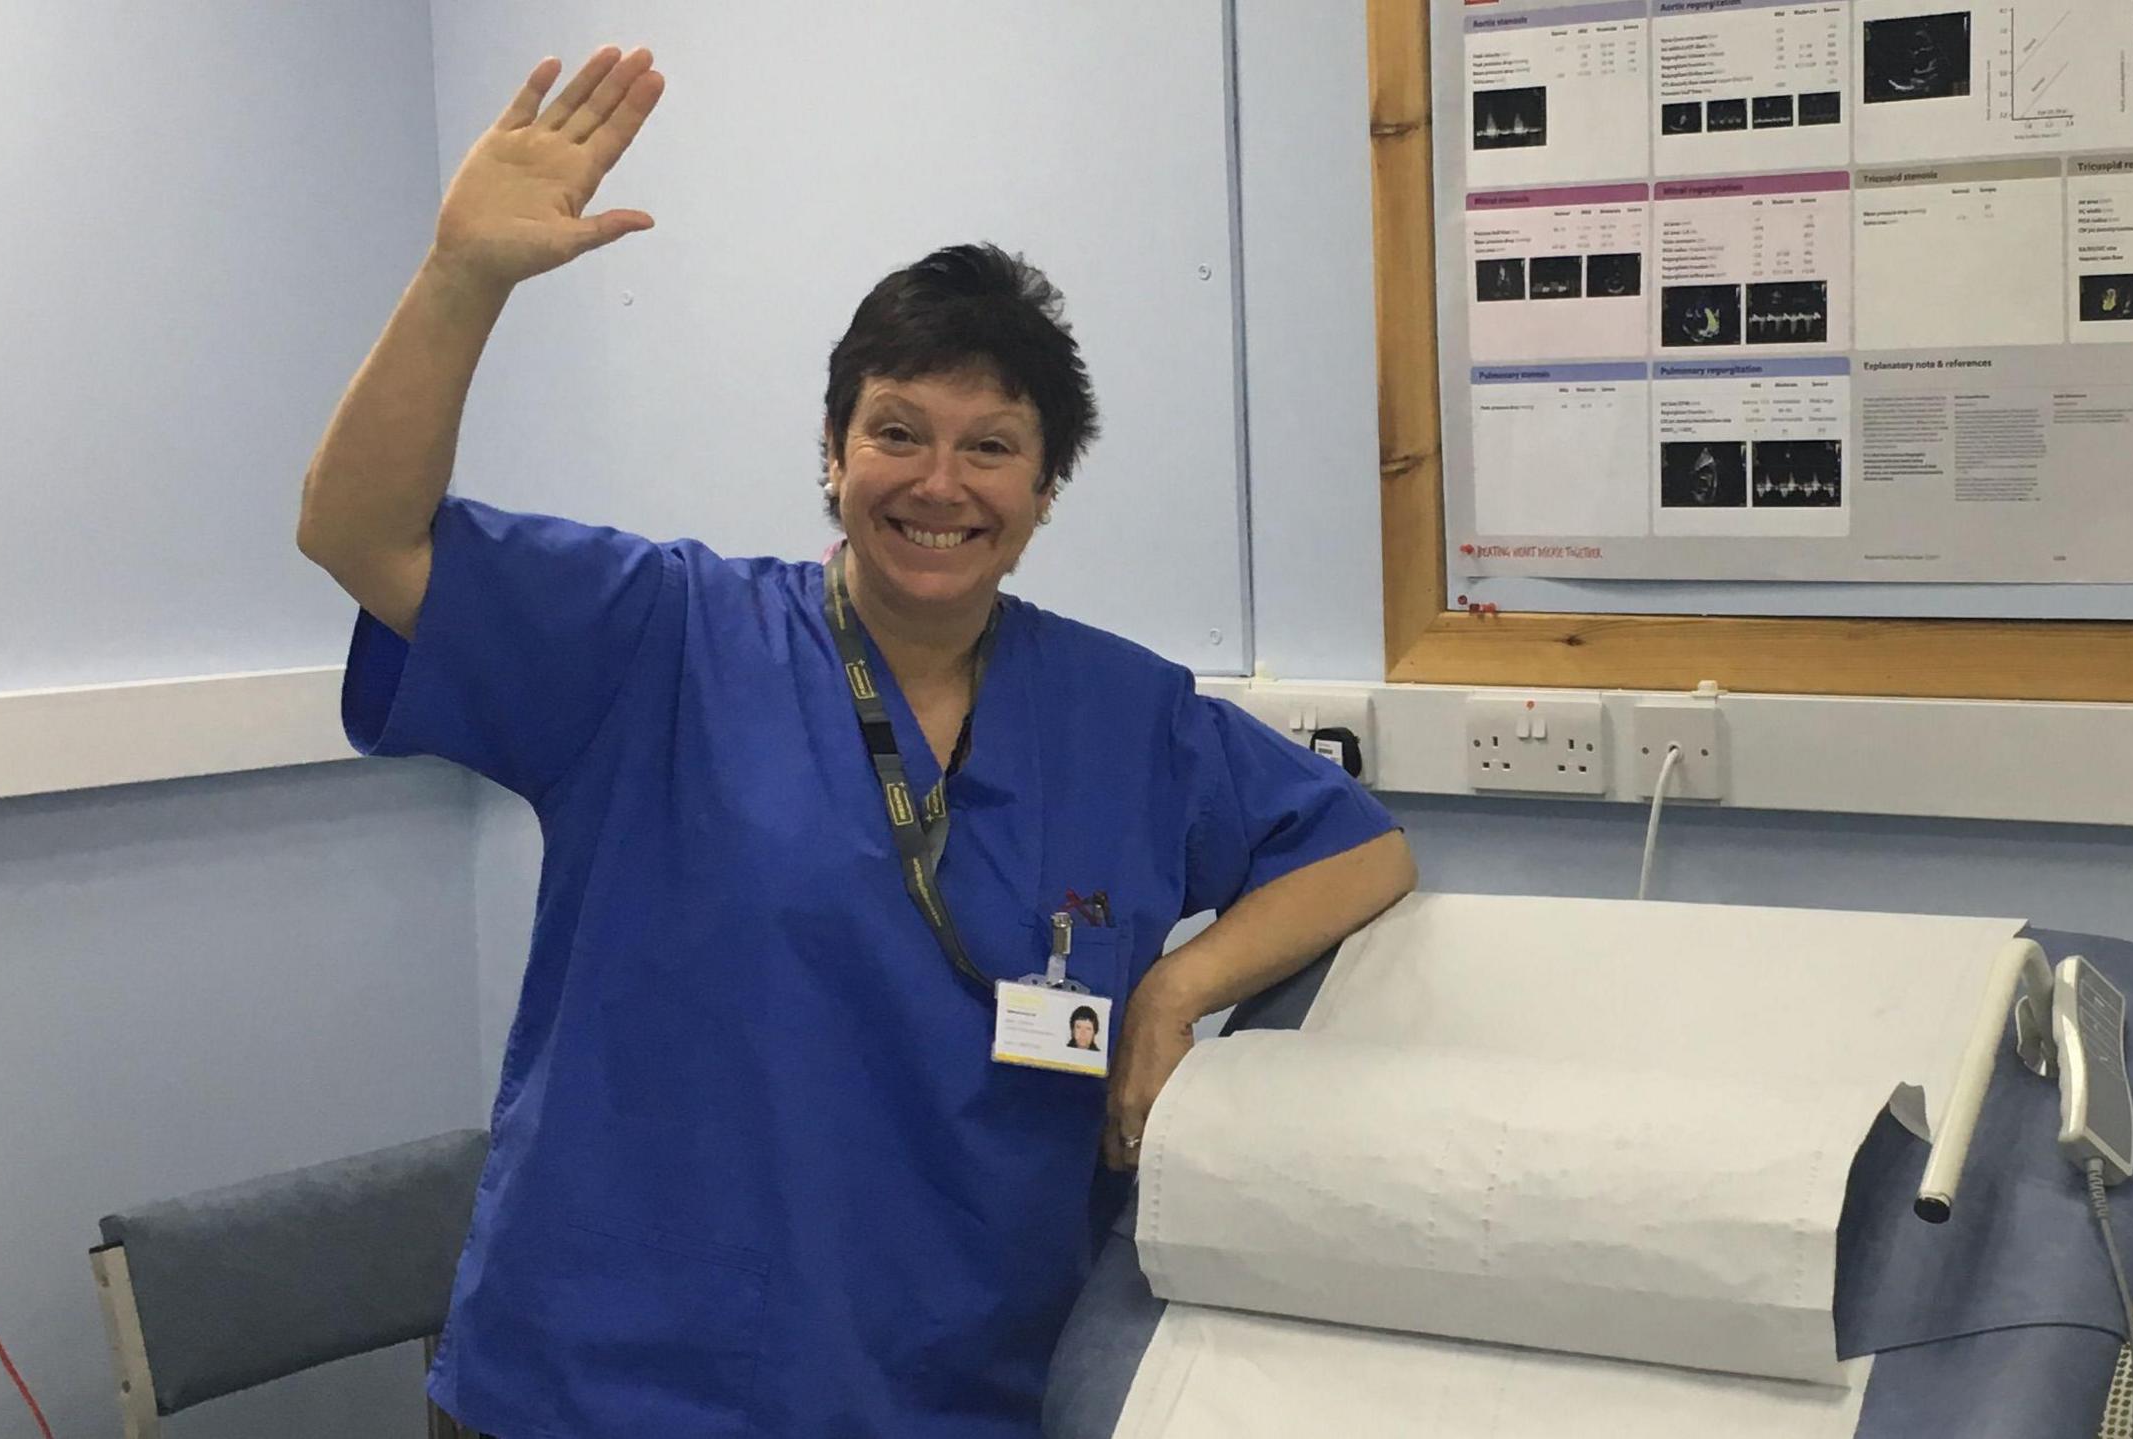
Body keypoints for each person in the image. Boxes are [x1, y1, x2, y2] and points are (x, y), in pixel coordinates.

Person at [297, 44, 1416, 1439]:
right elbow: (360, 533)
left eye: (992, 446)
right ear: (833, 454)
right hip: (606, 1387)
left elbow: (1360, 850)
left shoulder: (1124, 714)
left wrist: (1177, 994)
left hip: (951, 1390)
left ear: (1045, 489)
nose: (939, 483)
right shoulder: (657, 639)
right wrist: (460, 277)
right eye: (898, 431)